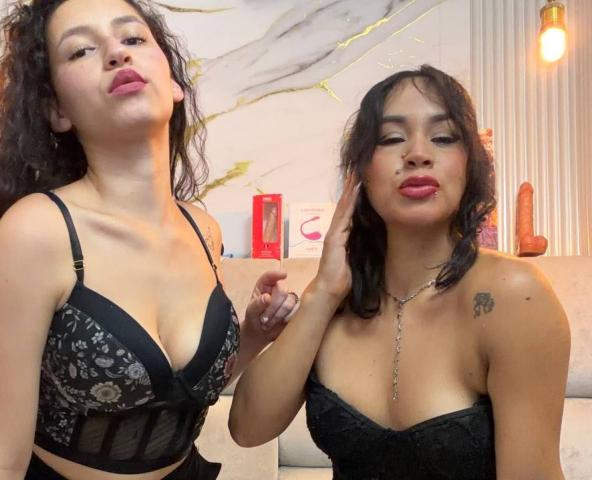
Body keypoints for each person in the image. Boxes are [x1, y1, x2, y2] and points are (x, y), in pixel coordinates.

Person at [0, 0, 296, 479]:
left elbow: (173, 396)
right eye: (81, 51)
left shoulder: (203, 230)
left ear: (173, 83)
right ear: (57, 110)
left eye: (133, 38)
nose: (117, 53)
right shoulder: (38, 232)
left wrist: (253, 336)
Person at [229, 65, 571, 480]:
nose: (418, 153)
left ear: (471, 165)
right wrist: (322, 293)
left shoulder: (513, 295)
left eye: (443, 137)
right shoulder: (335, 299)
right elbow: (247, 429)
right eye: (391, 139)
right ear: (359, 173)